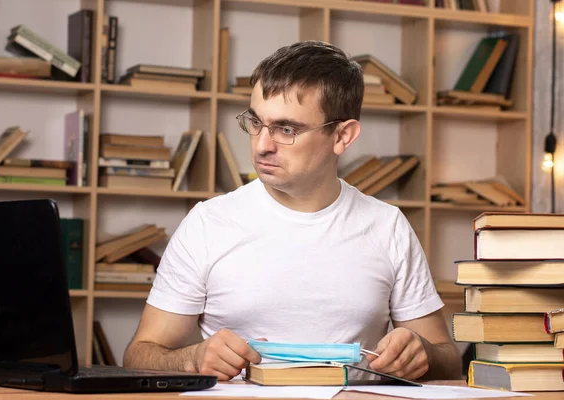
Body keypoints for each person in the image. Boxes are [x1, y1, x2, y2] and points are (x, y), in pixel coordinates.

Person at [123, 40, 462, 382]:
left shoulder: (387, 227)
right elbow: (139, 353)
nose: (261, 145)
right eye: (255, 122)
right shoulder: (207, 223)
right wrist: (192, 358)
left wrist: (423, 353)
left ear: (342, 136)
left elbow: (448, 359)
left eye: (286, 129)